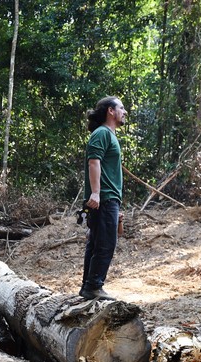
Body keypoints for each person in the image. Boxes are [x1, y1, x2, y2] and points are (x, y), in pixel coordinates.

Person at [80, 96, 127, 300]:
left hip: (109, 198)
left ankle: (88, 287)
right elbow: (94, 162)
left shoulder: (108, 135)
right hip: (103, 198)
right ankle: (94, 286)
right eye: (121, 108)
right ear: (110, 111)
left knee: (97, 242)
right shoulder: (101, 133)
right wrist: (97, 193)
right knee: (105, 243)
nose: (125, 112)